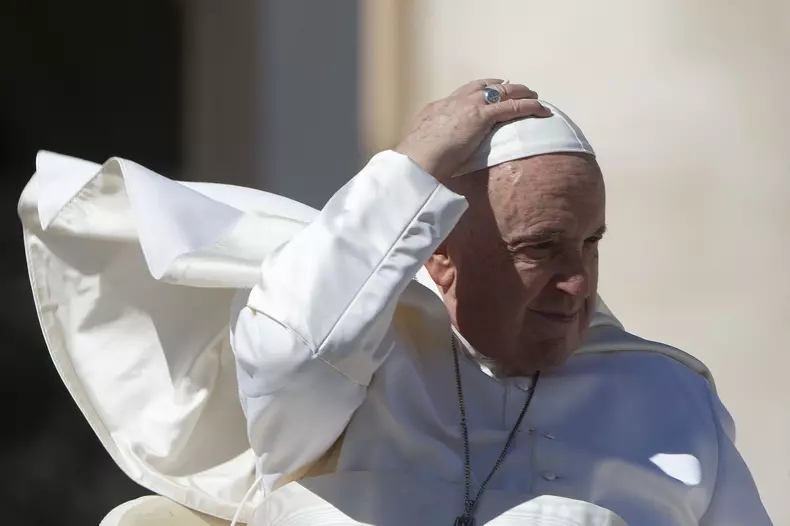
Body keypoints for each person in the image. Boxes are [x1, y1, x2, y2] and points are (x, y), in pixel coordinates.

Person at [18, 79, 772, 525]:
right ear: (439, 252)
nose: (577, 284)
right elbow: (288, 349)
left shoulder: (669, 402)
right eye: (539, 249)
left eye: (591, 244)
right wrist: (407, 174)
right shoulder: (351, 383)